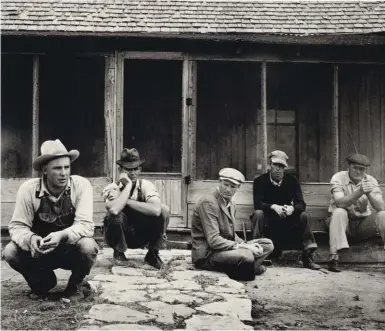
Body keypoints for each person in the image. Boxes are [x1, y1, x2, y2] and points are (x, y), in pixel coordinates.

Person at [2, 139, 98, 300]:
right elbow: (17, 226)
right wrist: (31, 239)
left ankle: (75, 287)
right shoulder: (29, 190)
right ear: (45, 170)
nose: (64, 173)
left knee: (88, 246)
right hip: (40, 253)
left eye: (67, 167)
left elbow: (86, 226)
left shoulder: (81, 186)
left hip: (69, 250)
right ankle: (42, 283)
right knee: (10, 252)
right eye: (57, 168)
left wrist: (62, 235)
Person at [191, 167, 274, 281]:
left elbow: (230, 233)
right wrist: (245, 246)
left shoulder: (230, 202)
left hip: (225, 249)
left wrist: (245, 244)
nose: (228, 190)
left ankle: (245, 267)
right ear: (219, 182)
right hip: (207, 254)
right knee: (247, 255)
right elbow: (214, 241)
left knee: (267, 244)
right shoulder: (209, 202)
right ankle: (246, 269)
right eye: (225, 184)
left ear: (238, 188)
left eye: (233, 186)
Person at [250, 150, 320, 270]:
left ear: (285, 168)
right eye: (275, 165)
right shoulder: (260, 181)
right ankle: (256, 256)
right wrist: (273, 206)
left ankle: (308, 257)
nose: (278, 169)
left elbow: (301, 204)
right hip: (268, 225)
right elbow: (258, 204)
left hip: (287, 224)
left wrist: (292, 208)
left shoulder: (292, 181)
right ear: (269, 165)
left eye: (281, 166)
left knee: (304, 215)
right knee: (258, 214)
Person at [103, 148, 170, 269]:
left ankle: (152, 253)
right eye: (128, 169)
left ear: (140, 169)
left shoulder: (146, 185)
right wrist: (128, 186)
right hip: (120, 236)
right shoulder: (112, 187)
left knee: (164, 209)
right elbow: (114, 210)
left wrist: (125, 201)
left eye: (135, 169)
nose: (132, 173)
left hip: (140, 234)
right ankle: (119, 253)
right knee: (114, 216)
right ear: (120, 170)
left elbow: (156, 210)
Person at [327, 153, 385, 272]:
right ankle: (334, 258)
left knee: (383, 215)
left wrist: (369, 193)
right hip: (342, 224)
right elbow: (340, 203)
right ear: (348, 167)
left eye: (361, 169)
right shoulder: (338, 177)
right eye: (355, 168)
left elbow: (381, 207)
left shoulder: (371, 180)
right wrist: (360, 192)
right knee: (339, 212)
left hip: (362, 224)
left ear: (365, 170)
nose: (358, 172)